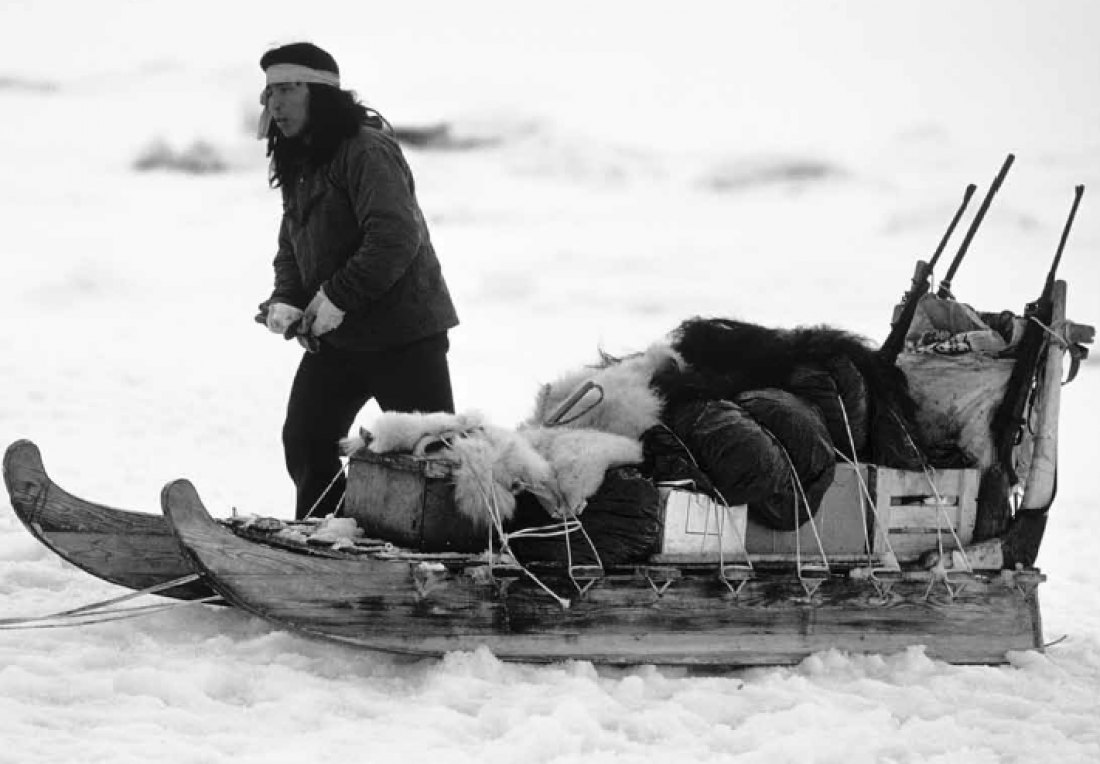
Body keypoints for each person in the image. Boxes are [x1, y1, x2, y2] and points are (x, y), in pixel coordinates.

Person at [256, 42, 459, 519]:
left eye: (287, 89)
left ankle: (450, 554)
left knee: (433, 460)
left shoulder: (366, 149)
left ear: (321, 93)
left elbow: (394, 236)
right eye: (268, 93)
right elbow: (293, 242)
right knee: (306, 441)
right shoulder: (299, 158)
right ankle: (325, 538)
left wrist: (336, 297)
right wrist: (287, 297)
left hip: (404, 336)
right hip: (340, 341)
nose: (274, 104)